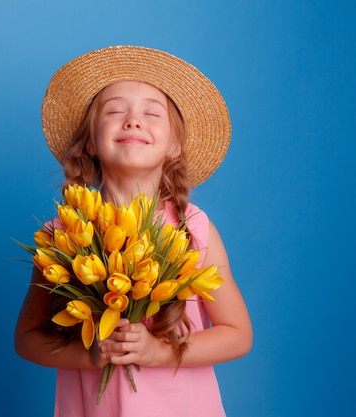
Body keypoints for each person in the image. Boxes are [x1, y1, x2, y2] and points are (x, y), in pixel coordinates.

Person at [14, 45, 253, 417]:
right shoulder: (63, 235)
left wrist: (160, 352)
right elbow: (27, 339)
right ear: (91, 142)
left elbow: (238, 333)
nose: (133, 121)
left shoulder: (194, 228)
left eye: (152, 113)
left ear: (175, 145)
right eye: (114, 111)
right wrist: (88, 355)